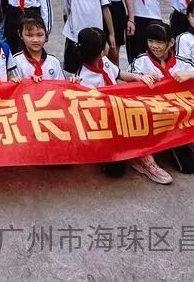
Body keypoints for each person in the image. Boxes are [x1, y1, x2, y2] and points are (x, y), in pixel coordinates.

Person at [73, 27, 171, 185]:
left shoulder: (104, 61)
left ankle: (143, 157)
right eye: (106, 43)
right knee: (116, 171)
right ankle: (116, 153)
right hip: (104, 124)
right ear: (102, 51)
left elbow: (119, 73)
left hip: (119, 111)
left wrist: (139, 77)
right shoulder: (83, 78)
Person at [130, 21, 194, 173]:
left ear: (170, 42)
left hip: (181, 117)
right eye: (150, 41)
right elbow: (128, 88)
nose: (154, 46)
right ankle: (145, 156)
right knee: (188, 167)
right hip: (157, 117)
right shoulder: (141, 61)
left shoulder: (182, 61)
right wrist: (142, 79)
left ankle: (187, 139)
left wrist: (189, 75)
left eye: (159, 42)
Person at [12, 14, 65, 81]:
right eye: (29, 35)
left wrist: (73, 82)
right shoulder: (15, 61)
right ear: (20, 35)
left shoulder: (53, 61)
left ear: (46, 35)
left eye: (40, 35)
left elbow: (62, 85)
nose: (35, 40)